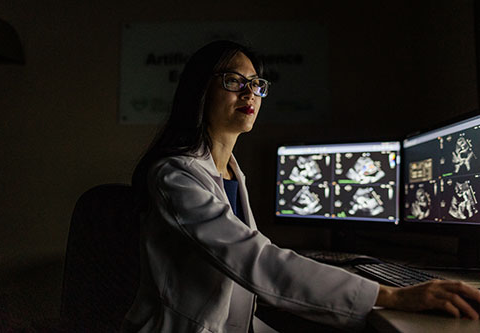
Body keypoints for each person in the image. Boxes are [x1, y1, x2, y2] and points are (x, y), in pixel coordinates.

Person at [122, 40, 480, 332]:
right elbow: (254, 259)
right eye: (233, 80)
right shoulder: (174, 176)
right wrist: (394, 296)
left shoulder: (231, 173)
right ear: (200, 89)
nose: (249, 93)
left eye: (256, 84)